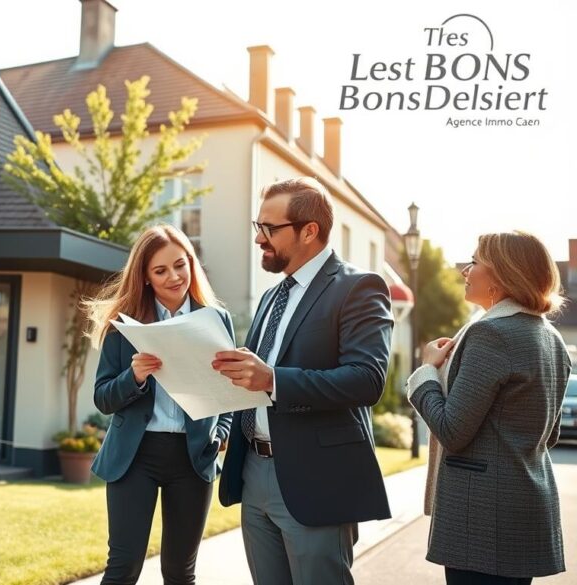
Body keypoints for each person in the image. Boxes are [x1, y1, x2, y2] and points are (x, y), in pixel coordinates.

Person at [213, 177, 393, 584]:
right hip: (253, 472)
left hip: (317, 478)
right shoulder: (271, 297)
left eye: (269, 229)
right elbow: (253, 379)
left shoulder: (358, 287)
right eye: (256, 226)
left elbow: (367, 379)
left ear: (309, 230)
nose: (259, 238)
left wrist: (272, 379)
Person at [407, 231, 571, 585]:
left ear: (500, 275)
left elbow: (452, 431)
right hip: (525, 507)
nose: (466, 270)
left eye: (475, 261)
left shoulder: (491, 335)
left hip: (482, 519)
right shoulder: (550, 338)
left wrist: (426, 375)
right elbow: (549, 434)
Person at [88, 224, 235, 585]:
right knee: (122, 569)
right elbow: (103, 398)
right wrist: (133, 376)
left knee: (180, 573)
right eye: (161, 270)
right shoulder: (124, 324)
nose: (174, 276)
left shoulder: (215, 319)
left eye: (180, 264)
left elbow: (229, 392)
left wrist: (221, 434)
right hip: (135, 457)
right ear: (146, 277)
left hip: (193, 456)